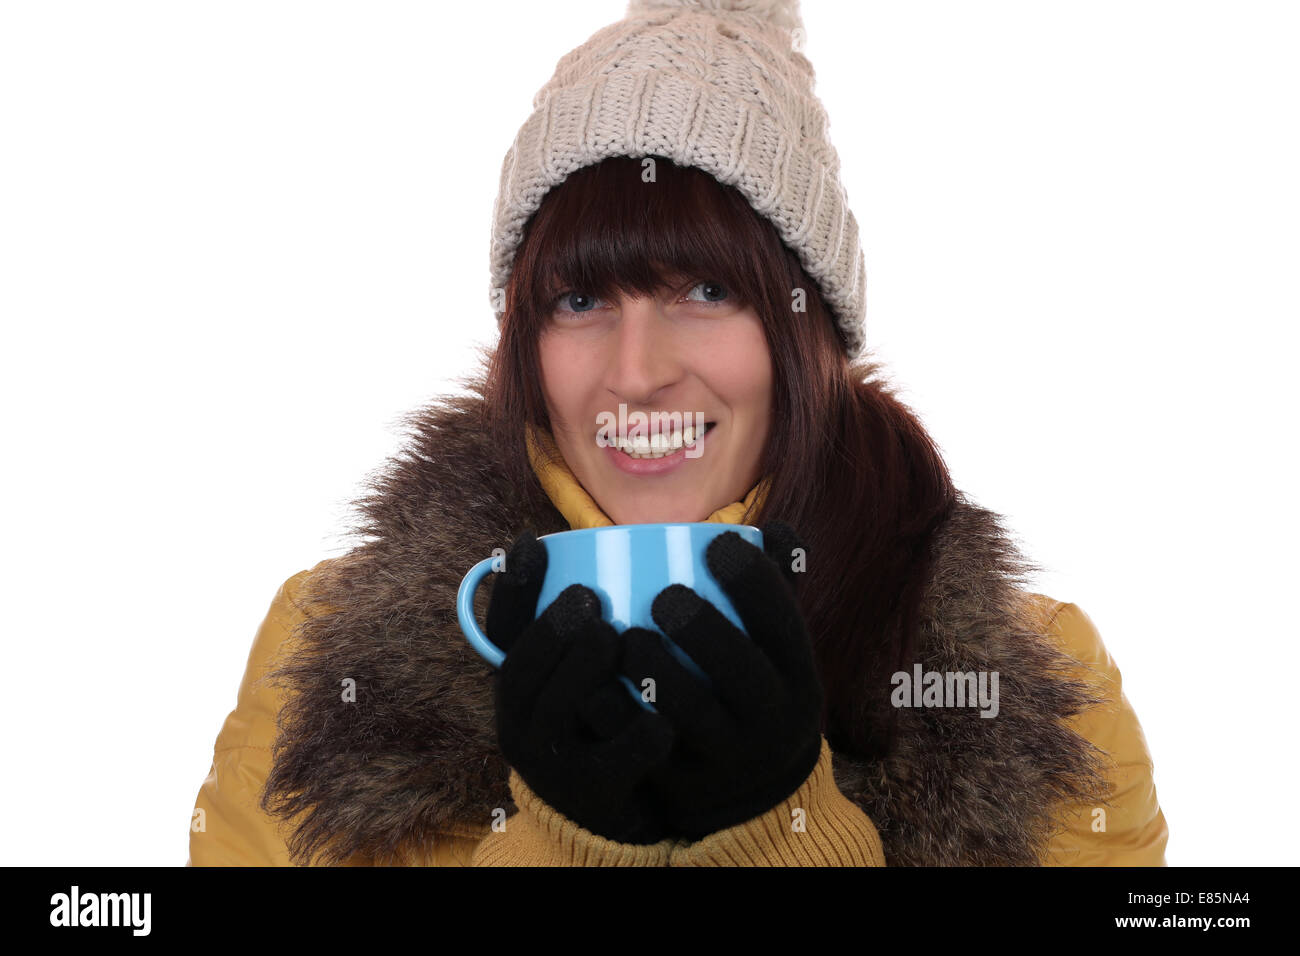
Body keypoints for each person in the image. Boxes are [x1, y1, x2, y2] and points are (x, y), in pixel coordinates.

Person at [188, 0, 1168, 866]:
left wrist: (782, 835)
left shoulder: (1030, 686)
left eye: (708, 289)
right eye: (579, 297)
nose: (636, 369)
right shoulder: (326, 651)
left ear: (809, 331)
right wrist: (558, 845)